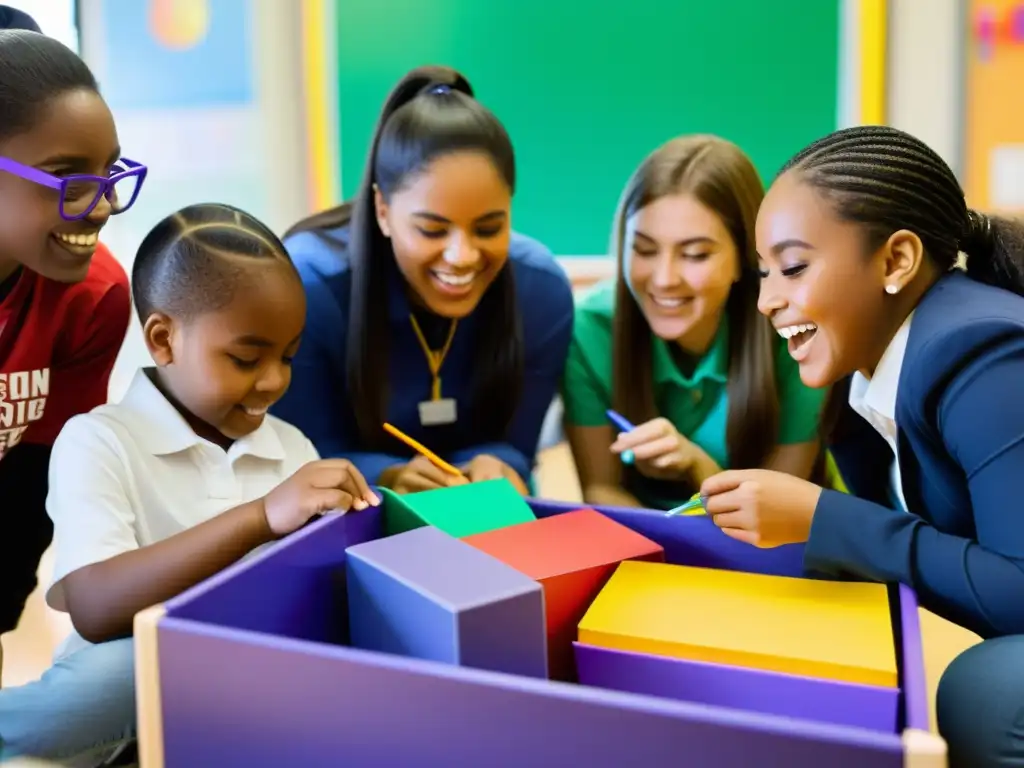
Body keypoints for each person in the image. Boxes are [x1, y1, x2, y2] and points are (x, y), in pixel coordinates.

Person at [0, 203, 380, 764]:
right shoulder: (97, 441)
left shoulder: (292, 449)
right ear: (162, 339)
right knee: (139, 665)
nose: (274, 380)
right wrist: (258, 518)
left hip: (251, 700)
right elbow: (96, 608)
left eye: (288, 357)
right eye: (246, 358)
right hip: (116, 705)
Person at [698, 124, 1024, 767]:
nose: (766, 300)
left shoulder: (985, 355)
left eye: (792, 267)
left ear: (896, 261)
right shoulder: (865, 376)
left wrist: (823, 515)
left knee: (989, 690)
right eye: (764, 273)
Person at [271, 66, 574, 495]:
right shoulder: (310, 286)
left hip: (486, 519)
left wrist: (501, 463)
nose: (462, 256)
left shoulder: (540, 289)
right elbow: (298, 454)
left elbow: (518, 446)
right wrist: (383, 476)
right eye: (432, 230)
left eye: (489, 228)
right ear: (382, 210)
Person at [562, 136, 827, 510]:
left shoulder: (797, 332)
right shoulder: (591, 330)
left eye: (695, 254)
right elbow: (603, 493)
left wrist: (700, 468)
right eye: (644, 249)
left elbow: (782, 517)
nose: (664, 278)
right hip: (644, 552)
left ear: (745, 257)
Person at [0, 26, 143, 682]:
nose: (102, 205)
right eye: (65, 178)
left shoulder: (96, 296)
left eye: (108, 171)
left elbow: (36, 476)